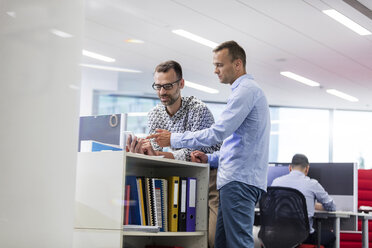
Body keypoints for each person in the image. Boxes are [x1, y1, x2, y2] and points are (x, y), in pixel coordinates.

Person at [147, 41, 271, 248]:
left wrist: (173, 139)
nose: (215, 70)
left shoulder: (246, 91)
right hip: (233, 178)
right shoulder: (243, 91)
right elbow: (237, 145)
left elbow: (218, 133)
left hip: (239, 181)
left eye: (220, 65)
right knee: (220, 243)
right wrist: (210, 158)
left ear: (238, 64)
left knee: (238, 243)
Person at [127, 60, 220, 248]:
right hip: (174, 175)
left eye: (168, 86)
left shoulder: (198, 110)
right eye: (158, 86)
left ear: (181, 84)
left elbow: (198, 153)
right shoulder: (154, 114)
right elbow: (156, 152)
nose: (162, 92)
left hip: (208, 177)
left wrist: (161, 153)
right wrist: (145, 150)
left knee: (212, 239)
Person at [271, 154, 336, 248]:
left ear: (290, 168)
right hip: (302, 236)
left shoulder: (276, 182)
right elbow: (332, 207)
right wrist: (314, 205)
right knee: (330, 236)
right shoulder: (312, 184)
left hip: (278, 235)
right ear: (307, 169)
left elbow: (268, 205)